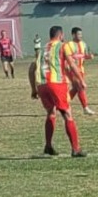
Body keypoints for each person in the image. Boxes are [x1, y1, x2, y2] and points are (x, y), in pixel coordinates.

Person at [37, 25, 85, 157]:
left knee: (51, 113)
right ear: (61, 35)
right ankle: (75, 149)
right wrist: (81, 79)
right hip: (56, 84)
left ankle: (48, 146)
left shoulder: (42, 48)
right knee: (67, 114)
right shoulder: (62, 46)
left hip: (41, 84)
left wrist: (33, 89)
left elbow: (31, 68)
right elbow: (72, 64)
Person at [62, 27, 96, 115]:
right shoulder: (68, 45)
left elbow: (83, 56)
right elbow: (66, 58)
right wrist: (67, 66)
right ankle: (85, 108)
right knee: (80, 86)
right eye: (78, 34)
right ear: (73, 35)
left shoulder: (83, 44)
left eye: (81, 34)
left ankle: (62, 103)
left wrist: (89, 57)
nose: (80, 36)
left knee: (76, 89)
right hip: (72, 70)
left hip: (81, 70)